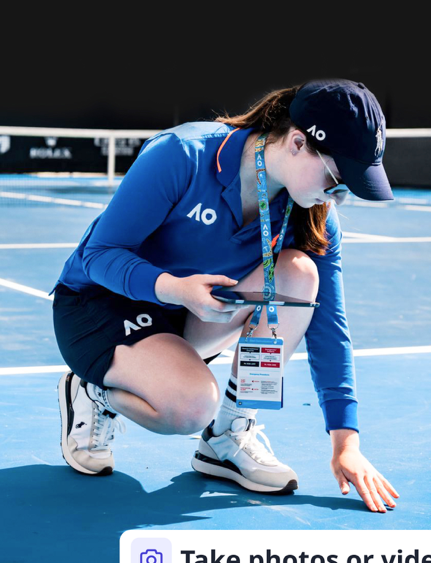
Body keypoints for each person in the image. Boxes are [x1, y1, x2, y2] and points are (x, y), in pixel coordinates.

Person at [52, 78, 399, 512]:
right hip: (97, 306)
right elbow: (97, 256)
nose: (337, 197)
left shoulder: (312, 213)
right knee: (190, 407)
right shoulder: (182, 155)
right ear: (296, 143)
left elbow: (329, 325)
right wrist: (175, 289)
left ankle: (228, 435)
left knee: (298, 275)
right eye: (336, 179)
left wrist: (346, 441)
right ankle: (92, 390)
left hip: (186, 316)